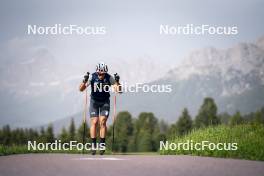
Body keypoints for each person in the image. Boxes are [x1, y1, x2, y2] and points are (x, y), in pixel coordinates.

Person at [79, 62, 121, 155]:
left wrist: (117, 82)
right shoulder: (92, 77)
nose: (100, 75)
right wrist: (84, 81)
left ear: (105, 72)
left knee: (103, 122)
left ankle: (102, 144)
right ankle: (93, 146)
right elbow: (81, 89)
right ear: (97, 72)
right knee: (94, 122)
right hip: (94, 102)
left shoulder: (109, 78)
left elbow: (119, 91)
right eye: (99, 73)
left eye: (102, 73)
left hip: (105, 102)